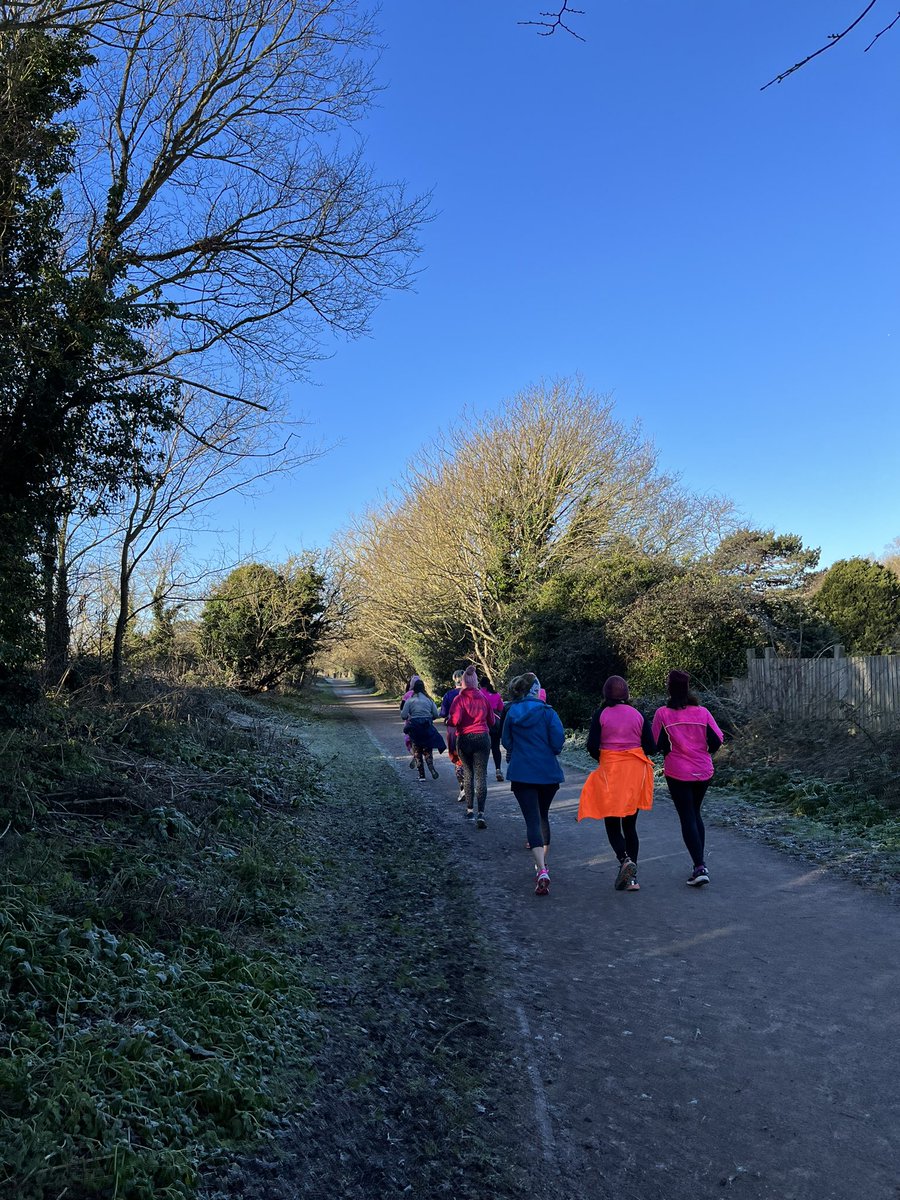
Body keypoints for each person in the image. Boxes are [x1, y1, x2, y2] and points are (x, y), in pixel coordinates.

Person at [577, 675, 656, 892]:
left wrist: (606, 757)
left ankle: (624, 860)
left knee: (612, 823)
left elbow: (592, 746)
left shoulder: (601, 714)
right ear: (627, 694)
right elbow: (651, 746)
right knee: (630, 826)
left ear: (605, 694)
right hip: (635, 772)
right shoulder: (638, 714)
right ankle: (632, 879)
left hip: (611, 771)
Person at [651, 670, 724, 887]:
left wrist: (666, 749)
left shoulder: (662, 714)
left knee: (687, 817)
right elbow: (718, 738)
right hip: (703, 771)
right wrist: (705, 751)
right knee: (695, 813)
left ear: (669, 688)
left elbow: (654, 743)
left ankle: (699, 866)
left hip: (678, 772)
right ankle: (700, 864)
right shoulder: (702, 712)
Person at [501, 672, 565, 895]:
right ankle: (542, 867)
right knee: (543, 816)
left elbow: (506, 741)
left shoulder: (511, 712)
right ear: (536, 690)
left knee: (531, 820)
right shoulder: (548, 712)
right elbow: (558, 743)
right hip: (548, 774)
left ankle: (542, 869)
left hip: (522, 773)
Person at [447, 666, 494, 827]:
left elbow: (454, 721)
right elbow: (492, 721)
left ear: (463, 683)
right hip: (482, 738)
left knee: (468, 773)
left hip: (465, 738)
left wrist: (450, 721)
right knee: (481, 775)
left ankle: (469, 810)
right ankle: (481, 813)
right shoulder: (483, 698)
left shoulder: (459, 699)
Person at [400, 679, 446, 780]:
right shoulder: (429, 700)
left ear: (414, 689)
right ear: (424, 688)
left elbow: (403, 716)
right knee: (427, 749)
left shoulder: (410, 700)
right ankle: (430, 765)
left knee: (417, 750)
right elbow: (435, 714)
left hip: (415, 728)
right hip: (427, 727)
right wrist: (429, 718)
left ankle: (421, 776)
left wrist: (410, 716)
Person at [439, 670, 466, 799]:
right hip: (471, 729)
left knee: (457, 760)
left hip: (453, 730)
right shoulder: (473, 694)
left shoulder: (449, 695)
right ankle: (470, 784)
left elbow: (443, 713)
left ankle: (462, 786)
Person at [480, 676, 506, 781]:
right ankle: (498, 770)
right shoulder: (497, 695)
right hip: (495, 724)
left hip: (483, 724)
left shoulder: (479, 694)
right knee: (495, 748)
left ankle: (483, 772)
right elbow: (501, 708)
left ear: (480, 685)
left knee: (483, 749)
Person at [400, 674, 423, 768]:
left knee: (409, 740)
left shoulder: (407, 695)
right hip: (424, 721)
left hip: (411, 722)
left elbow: (402, 709)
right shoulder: (425, 695)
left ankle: (414, 754)